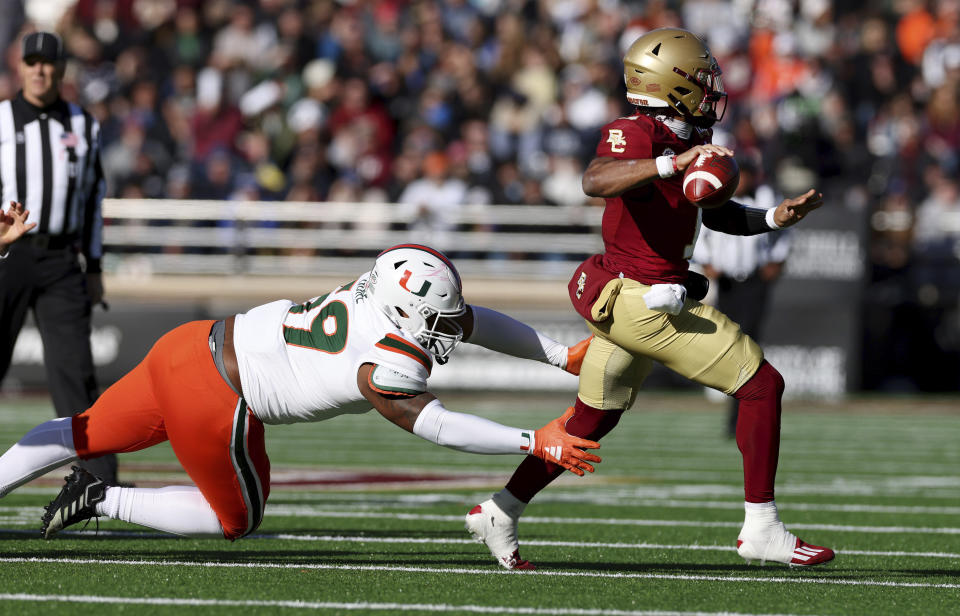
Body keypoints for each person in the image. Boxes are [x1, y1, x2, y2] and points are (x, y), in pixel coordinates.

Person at [465, 28, 834, 570]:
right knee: (762, 385)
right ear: (673, 84)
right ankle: (762, 527)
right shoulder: (635, 132)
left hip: (639, 297)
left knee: (590, 421)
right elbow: (596, 179)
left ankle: (500, 509)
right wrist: (669, 164)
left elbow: (716, 212)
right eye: (703, 79)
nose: (713, 89)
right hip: (641, 300)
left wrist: (776, 217)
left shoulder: (683, 136)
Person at [0, 236, 600, 542]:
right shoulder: (383, 358)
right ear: (403, 307)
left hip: (186, 344)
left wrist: (555, 355)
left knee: (80, 430)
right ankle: (101, 499)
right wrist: (533, 438)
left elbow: (472, 319)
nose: (449, 328)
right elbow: (434, 423)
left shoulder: (380, 297)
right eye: (436, 320)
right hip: (217, 394)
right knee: (236, 520)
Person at [0, 32, 117, 485]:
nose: (39, 70)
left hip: (62, 259)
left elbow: (93, 200)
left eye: (48, 63)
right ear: (19, 66)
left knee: (76, 376)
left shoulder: (84, 124)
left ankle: (99, 485)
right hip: (8, 256)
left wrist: (96, 267)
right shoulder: (3, 119)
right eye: (31, 61)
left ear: (62, 69)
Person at [691, 159, 792, 437]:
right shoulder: (714, 198)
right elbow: (700, 233)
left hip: (754, 281)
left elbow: (784, 230)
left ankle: (742, 413)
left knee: (749, 344)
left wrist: (777, 261)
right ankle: (736, 412)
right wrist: (705, 262)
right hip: (726, 282)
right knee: (730, 343)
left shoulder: (766, 196)